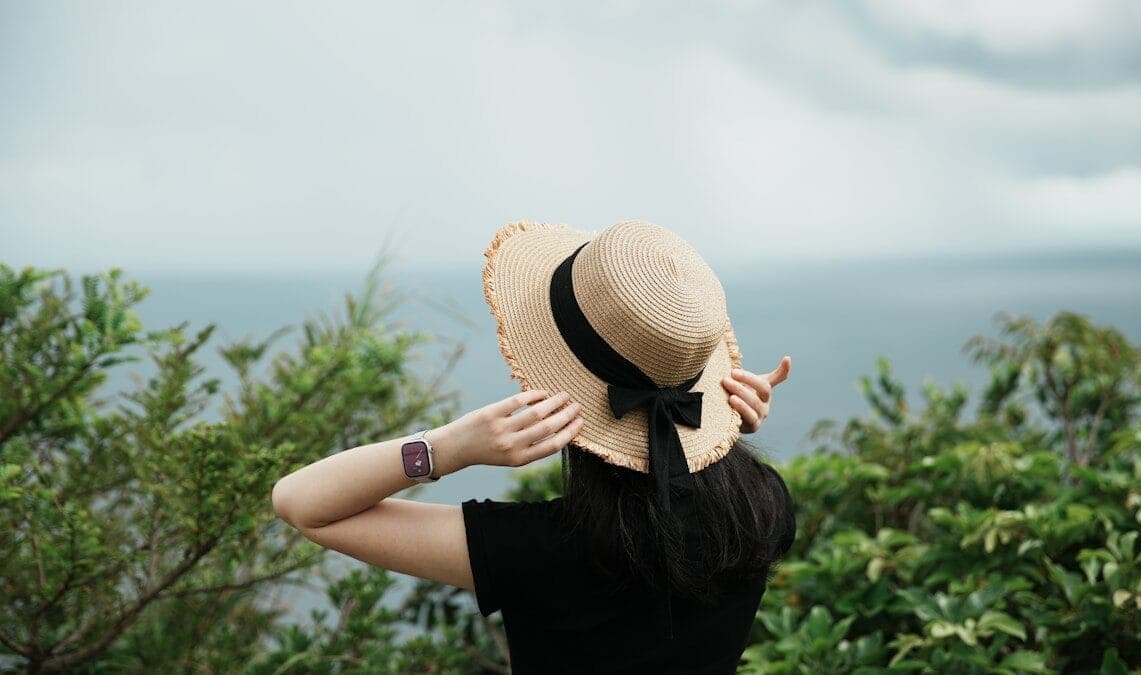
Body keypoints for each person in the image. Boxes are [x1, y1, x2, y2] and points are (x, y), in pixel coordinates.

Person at [272, 219, 796, 674]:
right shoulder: (765, 507)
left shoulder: (540, 549)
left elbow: (302, 504)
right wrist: (721, 434)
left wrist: (448, 447)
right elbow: (680, 494)